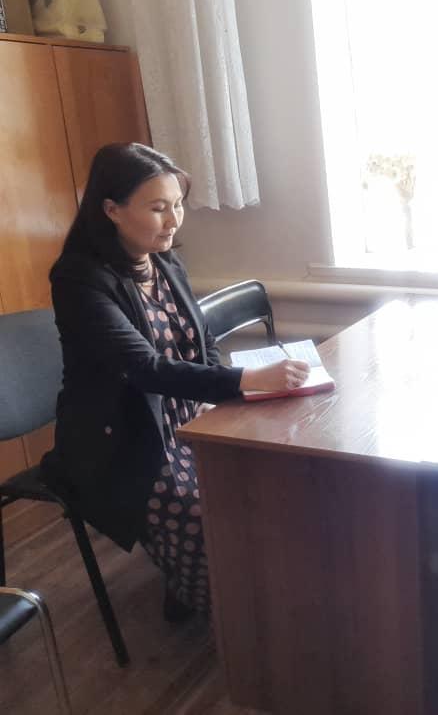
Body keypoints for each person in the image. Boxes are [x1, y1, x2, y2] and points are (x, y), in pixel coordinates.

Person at [41, 143, 311, 619]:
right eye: (158, 208)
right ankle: (235, 620)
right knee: (208, 519)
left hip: (189, 414)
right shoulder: (79, 279)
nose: (173, 221)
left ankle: (237, 597)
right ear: (111, 209)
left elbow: (201, 341)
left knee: (270, 488)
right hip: (126, 439)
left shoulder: (164, 261)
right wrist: (246, 380)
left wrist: (216, 398)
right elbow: (144, 368)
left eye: (178, 205)